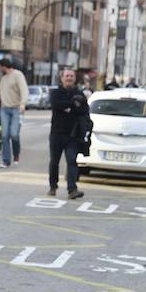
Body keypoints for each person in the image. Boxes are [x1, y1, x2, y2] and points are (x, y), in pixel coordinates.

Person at [48, 66, 89, 200]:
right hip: (57, 133)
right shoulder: (55, 93)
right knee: (54, 161)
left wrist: (69, 106)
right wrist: (72, 104)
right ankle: (53, 186)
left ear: (74, 78)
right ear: (62, 78)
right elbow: (56, 105)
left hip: (72, 135)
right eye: (67, 76)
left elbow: (83, 110)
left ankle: (72, 189)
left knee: (72, 161)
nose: (69, 78)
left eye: (71, 76)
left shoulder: (80, 93)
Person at [0, 57, 27, 168]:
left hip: (16, 109)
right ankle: (6, 161)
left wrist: (23, 103)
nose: (0, 69)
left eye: (0, 67)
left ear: (4, 66)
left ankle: (16, 154)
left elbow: (24, 90)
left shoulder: (18, 75)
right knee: (4, 136)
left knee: (14, 134)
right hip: (4, 110)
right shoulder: (4, 79)